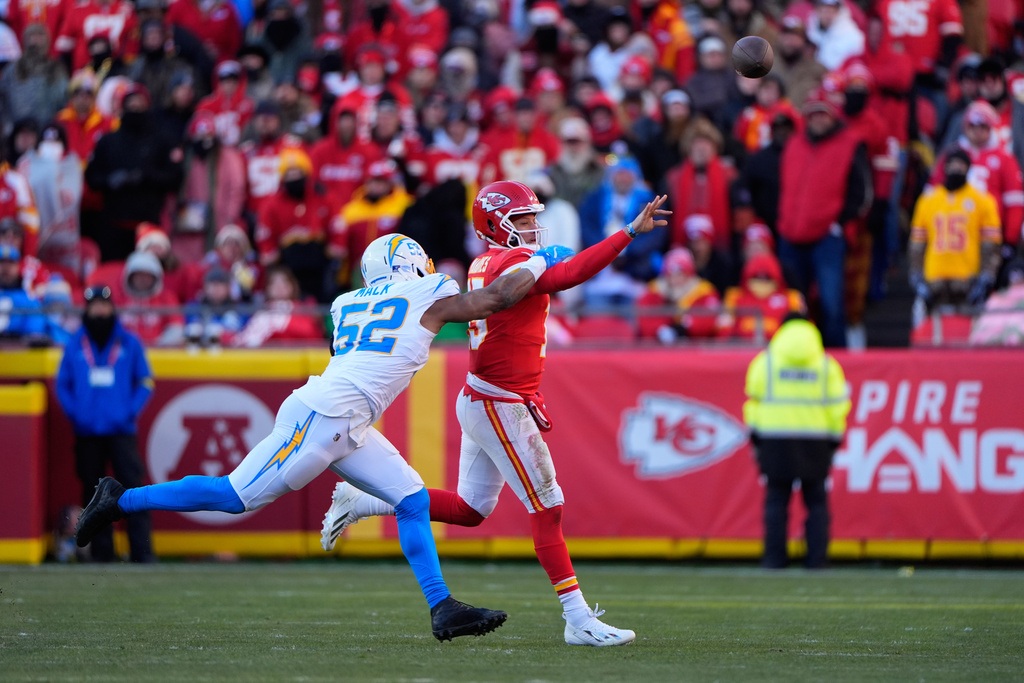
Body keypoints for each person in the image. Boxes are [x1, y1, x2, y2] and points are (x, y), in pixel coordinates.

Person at [76, 233, 574, 641]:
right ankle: (122, 499)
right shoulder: (428, 289)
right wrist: (534, 265)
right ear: (410, 261)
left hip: (347, 418)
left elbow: (365, 339)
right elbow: (497, 299)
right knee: (234, 496)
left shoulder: (344, 302)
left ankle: (443, 608)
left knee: (412, 498)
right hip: (324, 417)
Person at [321, 181, 670, 647]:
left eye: (531, 217)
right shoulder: (509, 262)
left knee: (470, 510)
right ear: (496, 225)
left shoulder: (486, 260)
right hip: (500, 401)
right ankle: (578, 618)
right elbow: (570, 275)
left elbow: (549, 271)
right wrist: (627, 232)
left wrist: (548, 256)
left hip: (485, 396)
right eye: (522, 220)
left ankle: (361, 500)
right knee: (548, 505)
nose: (532, 227)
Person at [743, 312, 851, 569]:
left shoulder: (765, 362)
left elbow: (753, 402)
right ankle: (817, 560)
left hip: (774, 437)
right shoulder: (826, 364)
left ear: (781, 328)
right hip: (816, 438)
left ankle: (773, 559)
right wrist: (834, 439)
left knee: (776, 499)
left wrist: (756, 437)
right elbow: (838, 406)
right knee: (816, 501)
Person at [58, 283, 155, 563]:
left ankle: (142, 552)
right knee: (93, 494)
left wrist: (129, 411)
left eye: (104, 305)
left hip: (121, 430)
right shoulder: (75, 343)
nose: (99, 310)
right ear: (87, 309)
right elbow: (63, 384)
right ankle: (102, 555)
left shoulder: (129, 342)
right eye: (94, 305)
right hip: (88, 430)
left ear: (112, 308)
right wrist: (75, 413)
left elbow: (146, 381)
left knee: (134, 490)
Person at [909, 149, 1002, 309]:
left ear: (968, 168)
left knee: (967, 329)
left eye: (961, 165)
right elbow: (917, 244)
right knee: (934, 330)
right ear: (945, 168)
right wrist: (916, 276)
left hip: (967, 278)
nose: (956, 169)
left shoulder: (983, 201)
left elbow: (990, 245)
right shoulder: (928, 200)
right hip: (934, 278)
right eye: (952, 164)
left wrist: (987, 276)